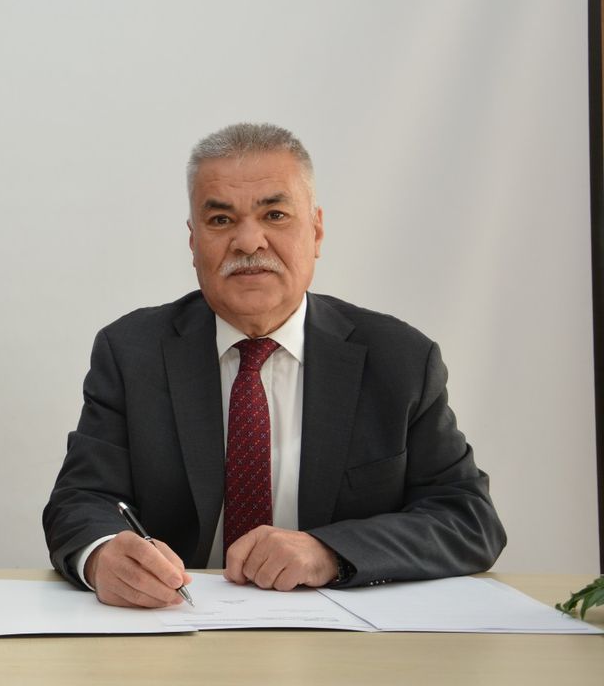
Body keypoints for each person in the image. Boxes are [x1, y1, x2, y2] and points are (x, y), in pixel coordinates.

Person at [42, 123, 505, 608]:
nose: (248, 242)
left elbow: (468, 519)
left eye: (275, 215)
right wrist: (102, 556)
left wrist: (330, 552)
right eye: (221, 220)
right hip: (177, 622)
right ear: (193, 241)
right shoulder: (131, 351)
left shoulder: (400, 359)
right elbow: (81, 500)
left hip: (346, 634)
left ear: (316, 231)